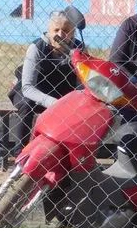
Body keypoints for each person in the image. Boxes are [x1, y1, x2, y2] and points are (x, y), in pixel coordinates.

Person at [9, 11, 84, 149]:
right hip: (31, 91)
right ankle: (20, 153)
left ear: (73, 33)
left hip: (60, 92)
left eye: (66, 31)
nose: (60, 35)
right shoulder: (36, 48)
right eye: (56, 30)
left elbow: (83, 84)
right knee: (26, 104)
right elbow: (27, 87)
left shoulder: (79, 49)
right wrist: (53, 102)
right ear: (49, 31)